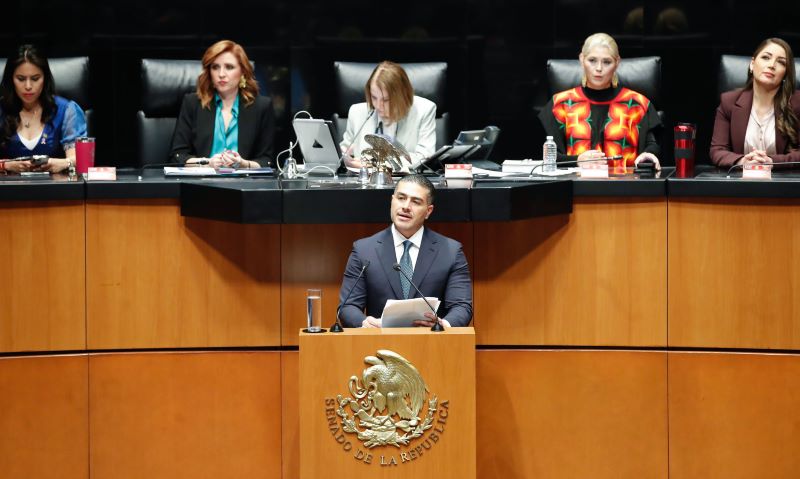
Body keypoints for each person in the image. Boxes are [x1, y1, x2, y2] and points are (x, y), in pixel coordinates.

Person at [338, 174, 472, 328]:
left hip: (431, 344)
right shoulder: (364, 250)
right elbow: (348, 306)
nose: (406, 206)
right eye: (401, 198)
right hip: (378, 343)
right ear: (392, 201)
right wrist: (365, 324)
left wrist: (443, 326)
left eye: (416, 201)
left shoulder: (451, 251)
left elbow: (462, 306)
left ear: (428, 211)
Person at [538, 33, 662, 169]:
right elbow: (550, 157)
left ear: (617, 63)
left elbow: (652, 145)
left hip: (626, 186)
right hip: (574, 186)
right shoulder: (560, 104)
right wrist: (577, 160)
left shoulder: (637, 104)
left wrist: (649, 154)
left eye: (607, 62)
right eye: (592, 60)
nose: (599, 68)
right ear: (581, 59)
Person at [170, 40, 275, 168]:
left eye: (229, 67)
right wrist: (207, 163)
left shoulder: (262, 106)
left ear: (242, 71)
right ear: (209, 72)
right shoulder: (192, 103)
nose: (221, 74)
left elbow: (267, 160)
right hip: (200, 183)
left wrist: (243, 163)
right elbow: (177, 156)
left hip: (244, 183)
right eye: (215, 67)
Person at [710, 37, 800, 168]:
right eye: (766, 57)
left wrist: (772, 161)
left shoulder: (797, 103)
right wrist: (742, 161)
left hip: (783, 183)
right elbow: (717, 151)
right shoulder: (728, 102)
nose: (771, 65)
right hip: (741, 182)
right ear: (752, 64)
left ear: (785, 74)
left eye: (781, 62)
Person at [0, 44, 87, 174]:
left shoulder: (66, 110)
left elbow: (81, 159)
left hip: (55, 189)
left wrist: (62, 163)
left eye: (35, 79)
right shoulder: (2, 109)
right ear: (11, 79)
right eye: (21, 79)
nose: (28, 86)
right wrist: (6, 166)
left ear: (45, 79)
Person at [340, 61, 436, 172]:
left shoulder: (424, 110)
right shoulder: (357, 112)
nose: (378, 105)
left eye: (386, 100)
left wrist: (375, 163)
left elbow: (424, 158)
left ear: (402, 96)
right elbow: (345, 150)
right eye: (374, 97)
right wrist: (344, 156)